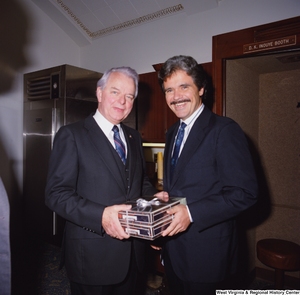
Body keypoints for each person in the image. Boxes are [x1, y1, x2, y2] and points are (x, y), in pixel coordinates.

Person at [45, 66, 167, 295]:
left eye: (129, 96)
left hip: (134, 254)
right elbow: (56, 194)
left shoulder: (133, 137)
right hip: (92, 257)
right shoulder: (72, 135)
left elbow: (140, 184)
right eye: (115, 92)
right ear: (99, 93)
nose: (123, 101)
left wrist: (154, 199)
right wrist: (101, 215)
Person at [157, 55, 258, 295]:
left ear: (201, 89)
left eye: (184, 87)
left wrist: (191, 213)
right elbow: (184, 184)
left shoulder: (224, 130)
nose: (176, 96)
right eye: (169, 90)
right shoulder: (172, 132)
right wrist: (166, 199)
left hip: (207, 256)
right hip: (174, 250)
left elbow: (244, 193)